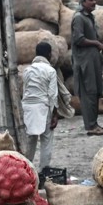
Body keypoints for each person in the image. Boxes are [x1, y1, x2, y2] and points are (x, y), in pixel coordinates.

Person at [71, 0, 103, 136]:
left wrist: (100, 42)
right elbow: (78, 39)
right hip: (84, 63)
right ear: (83, 2)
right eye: (91, 0)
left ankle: (94, 123)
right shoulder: (79, 18)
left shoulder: (89, 17)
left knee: (96, 92)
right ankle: (91, 126)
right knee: (88, 93)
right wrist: (96, 44)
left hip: (92, 61)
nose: (94, 2)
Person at [21, 42, 60, 174]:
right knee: (46, 140)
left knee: (30, 140)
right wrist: (55, 115)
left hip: (29, 108)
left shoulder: (27, 71)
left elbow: (24, 91)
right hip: (43, 107)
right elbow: (53, 95)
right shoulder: (50, 71)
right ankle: (43, 172)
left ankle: (26, 171)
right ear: (49, 55)